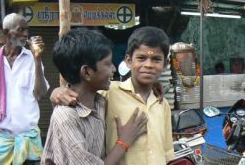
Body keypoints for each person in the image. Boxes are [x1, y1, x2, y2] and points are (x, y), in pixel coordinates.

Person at [50, 26, 174, 164]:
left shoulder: (162, 104)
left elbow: (167, 153)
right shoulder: (108, 94)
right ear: (128, 60)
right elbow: (80, 91)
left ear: (165, 64)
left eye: (156, 59)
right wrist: (58, 92)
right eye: (141, 58)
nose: (149, 65)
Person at [0, 13, 49, 164]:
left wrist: (38, 59)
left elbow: (41, 94)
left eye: (27, 30)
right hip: (0, 141)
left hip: (28, 140)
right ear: (6, 33)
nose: (25, 34)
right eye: (20, 30)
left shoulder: (32, 60)